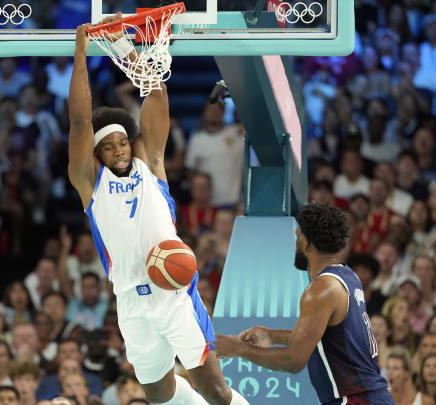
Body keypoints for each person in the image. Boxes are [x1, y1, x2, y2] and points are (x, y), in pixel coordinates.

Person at [66, 16, 248, 405]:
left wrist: (124, 46)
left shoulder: (151, 164)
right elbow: (80, 121)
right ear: (96, 154)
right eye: (108, 146)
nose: (118, 149)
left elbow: (158, 95)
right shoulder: (90, 183)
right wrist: (81, 50)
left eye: (122, 142)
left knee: (216, 391)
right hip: (131, 299)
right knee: (160, 394)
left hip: (174, 291)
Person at [214, 203, 393, 404]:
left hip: (355, 399)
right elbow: (328, 337)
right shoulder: (347, 276)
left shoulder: (321, 289)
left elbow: (293, 360)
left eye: (298, 236)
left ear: (307, 243)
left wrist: (238, 349)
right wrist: (272, 336)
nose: (296, 243)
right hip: (371, 396)